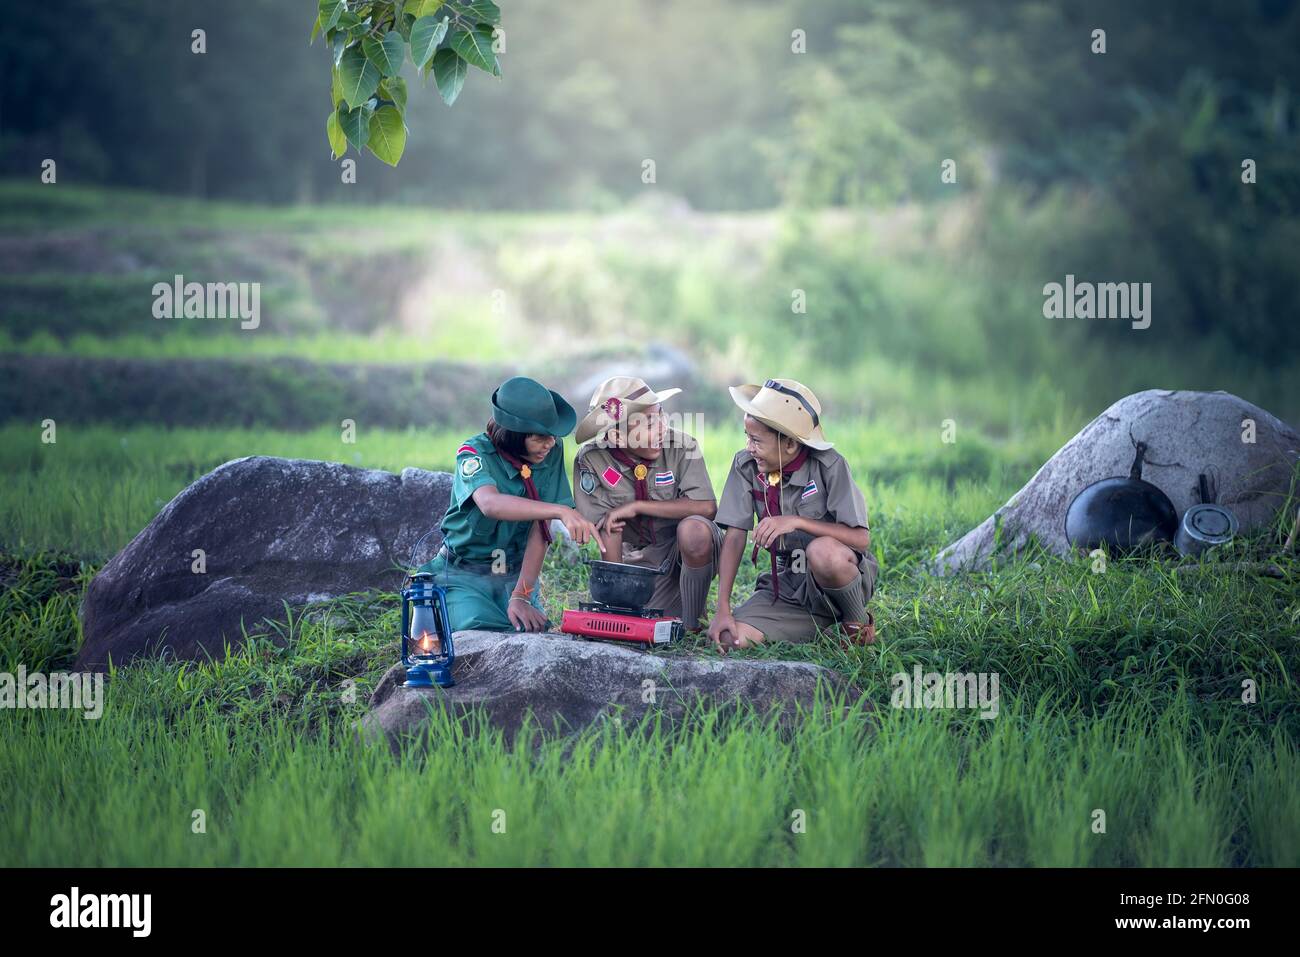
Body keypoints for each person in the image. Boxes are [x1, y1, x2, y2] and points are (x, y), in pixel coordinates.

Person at [418, 375, 604, 632]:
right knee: (481, 631)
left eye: (552, 435)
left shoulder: (550, 451)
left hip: (515, 576)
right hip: (464, 576)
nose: (549, 443)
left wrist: (522, 596)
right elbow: (490, 504)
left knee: (529, 634)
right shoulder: (474, 453)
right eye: (540, 437)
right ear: (513, 435)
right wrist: (560, 510)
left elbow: (540, 531)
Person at [707, 378, 877, 651]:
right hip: (789, 588)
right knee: (729, 640)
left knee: (823, 552)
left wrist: (797, 522)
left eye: (756, 440)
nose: (749, 447)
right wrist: (723, 608)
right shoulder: (746, 465)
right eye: (747, 438)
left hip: (837, 579)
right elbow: (736, 534)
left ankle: (854, 624)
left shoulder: (829, 466)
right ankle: (816, 628)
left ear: (789, 444)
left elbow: (860, 539)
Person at [572, 376, 721, 630]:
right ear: (617, 437)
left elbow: (706, 507)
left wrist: (638, 507)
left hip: (681, 552)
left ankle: (694, 620)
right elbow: (606, 527)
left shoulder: (682, 446)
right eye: (650, 424)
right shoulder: (592, 460)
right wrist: (615, 599)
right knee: (636, 618)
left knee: (694, 530)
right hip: (638, 562)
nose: (662, 427)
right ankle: (640, 605)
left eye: (661, 414)